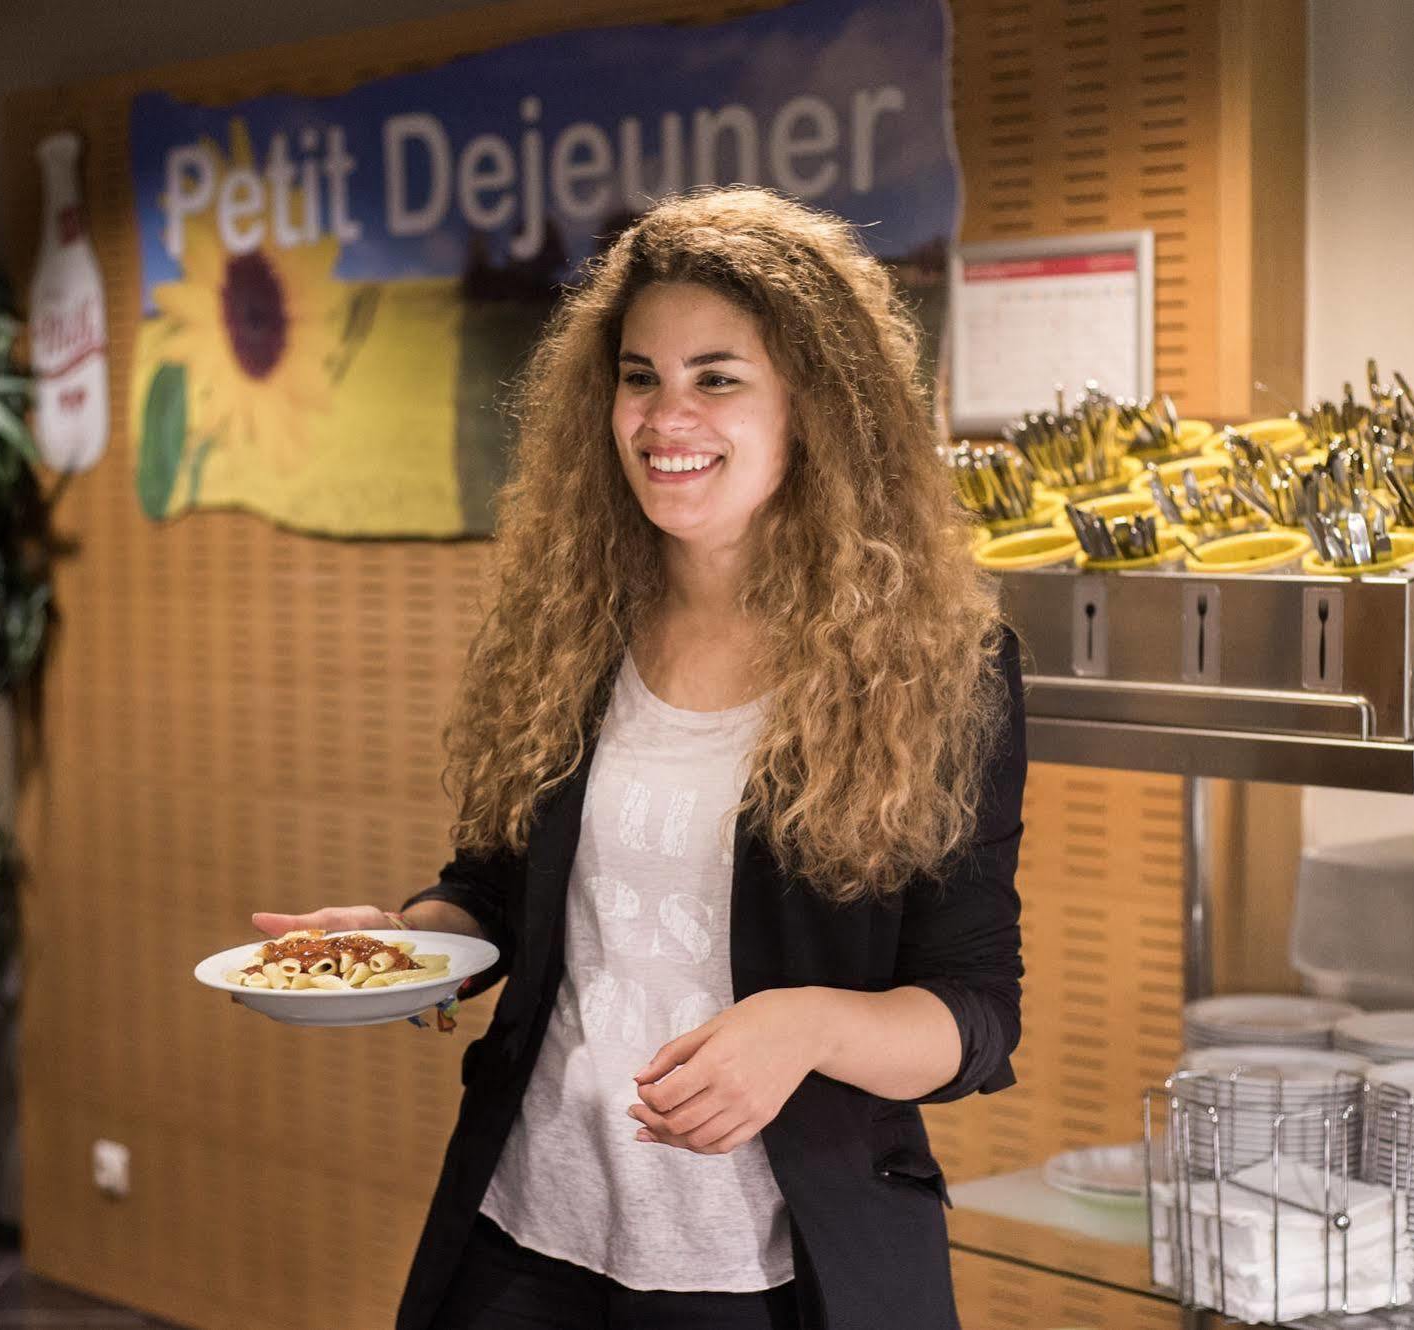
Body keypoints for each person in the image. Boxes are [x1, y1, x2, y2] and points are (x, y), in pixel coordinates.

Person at [251, 186, 1027, 1330]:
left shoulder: (942, 667)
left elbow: (973, 1008)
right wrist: (410, 944)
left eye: (718, 377)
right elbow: (503, 887)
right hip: (531, 1232)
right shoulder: (568, 620)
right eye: (638, 375)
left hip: (772, 1269)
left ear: (812, 404)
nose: (666, 417)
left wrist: (804, 1026)